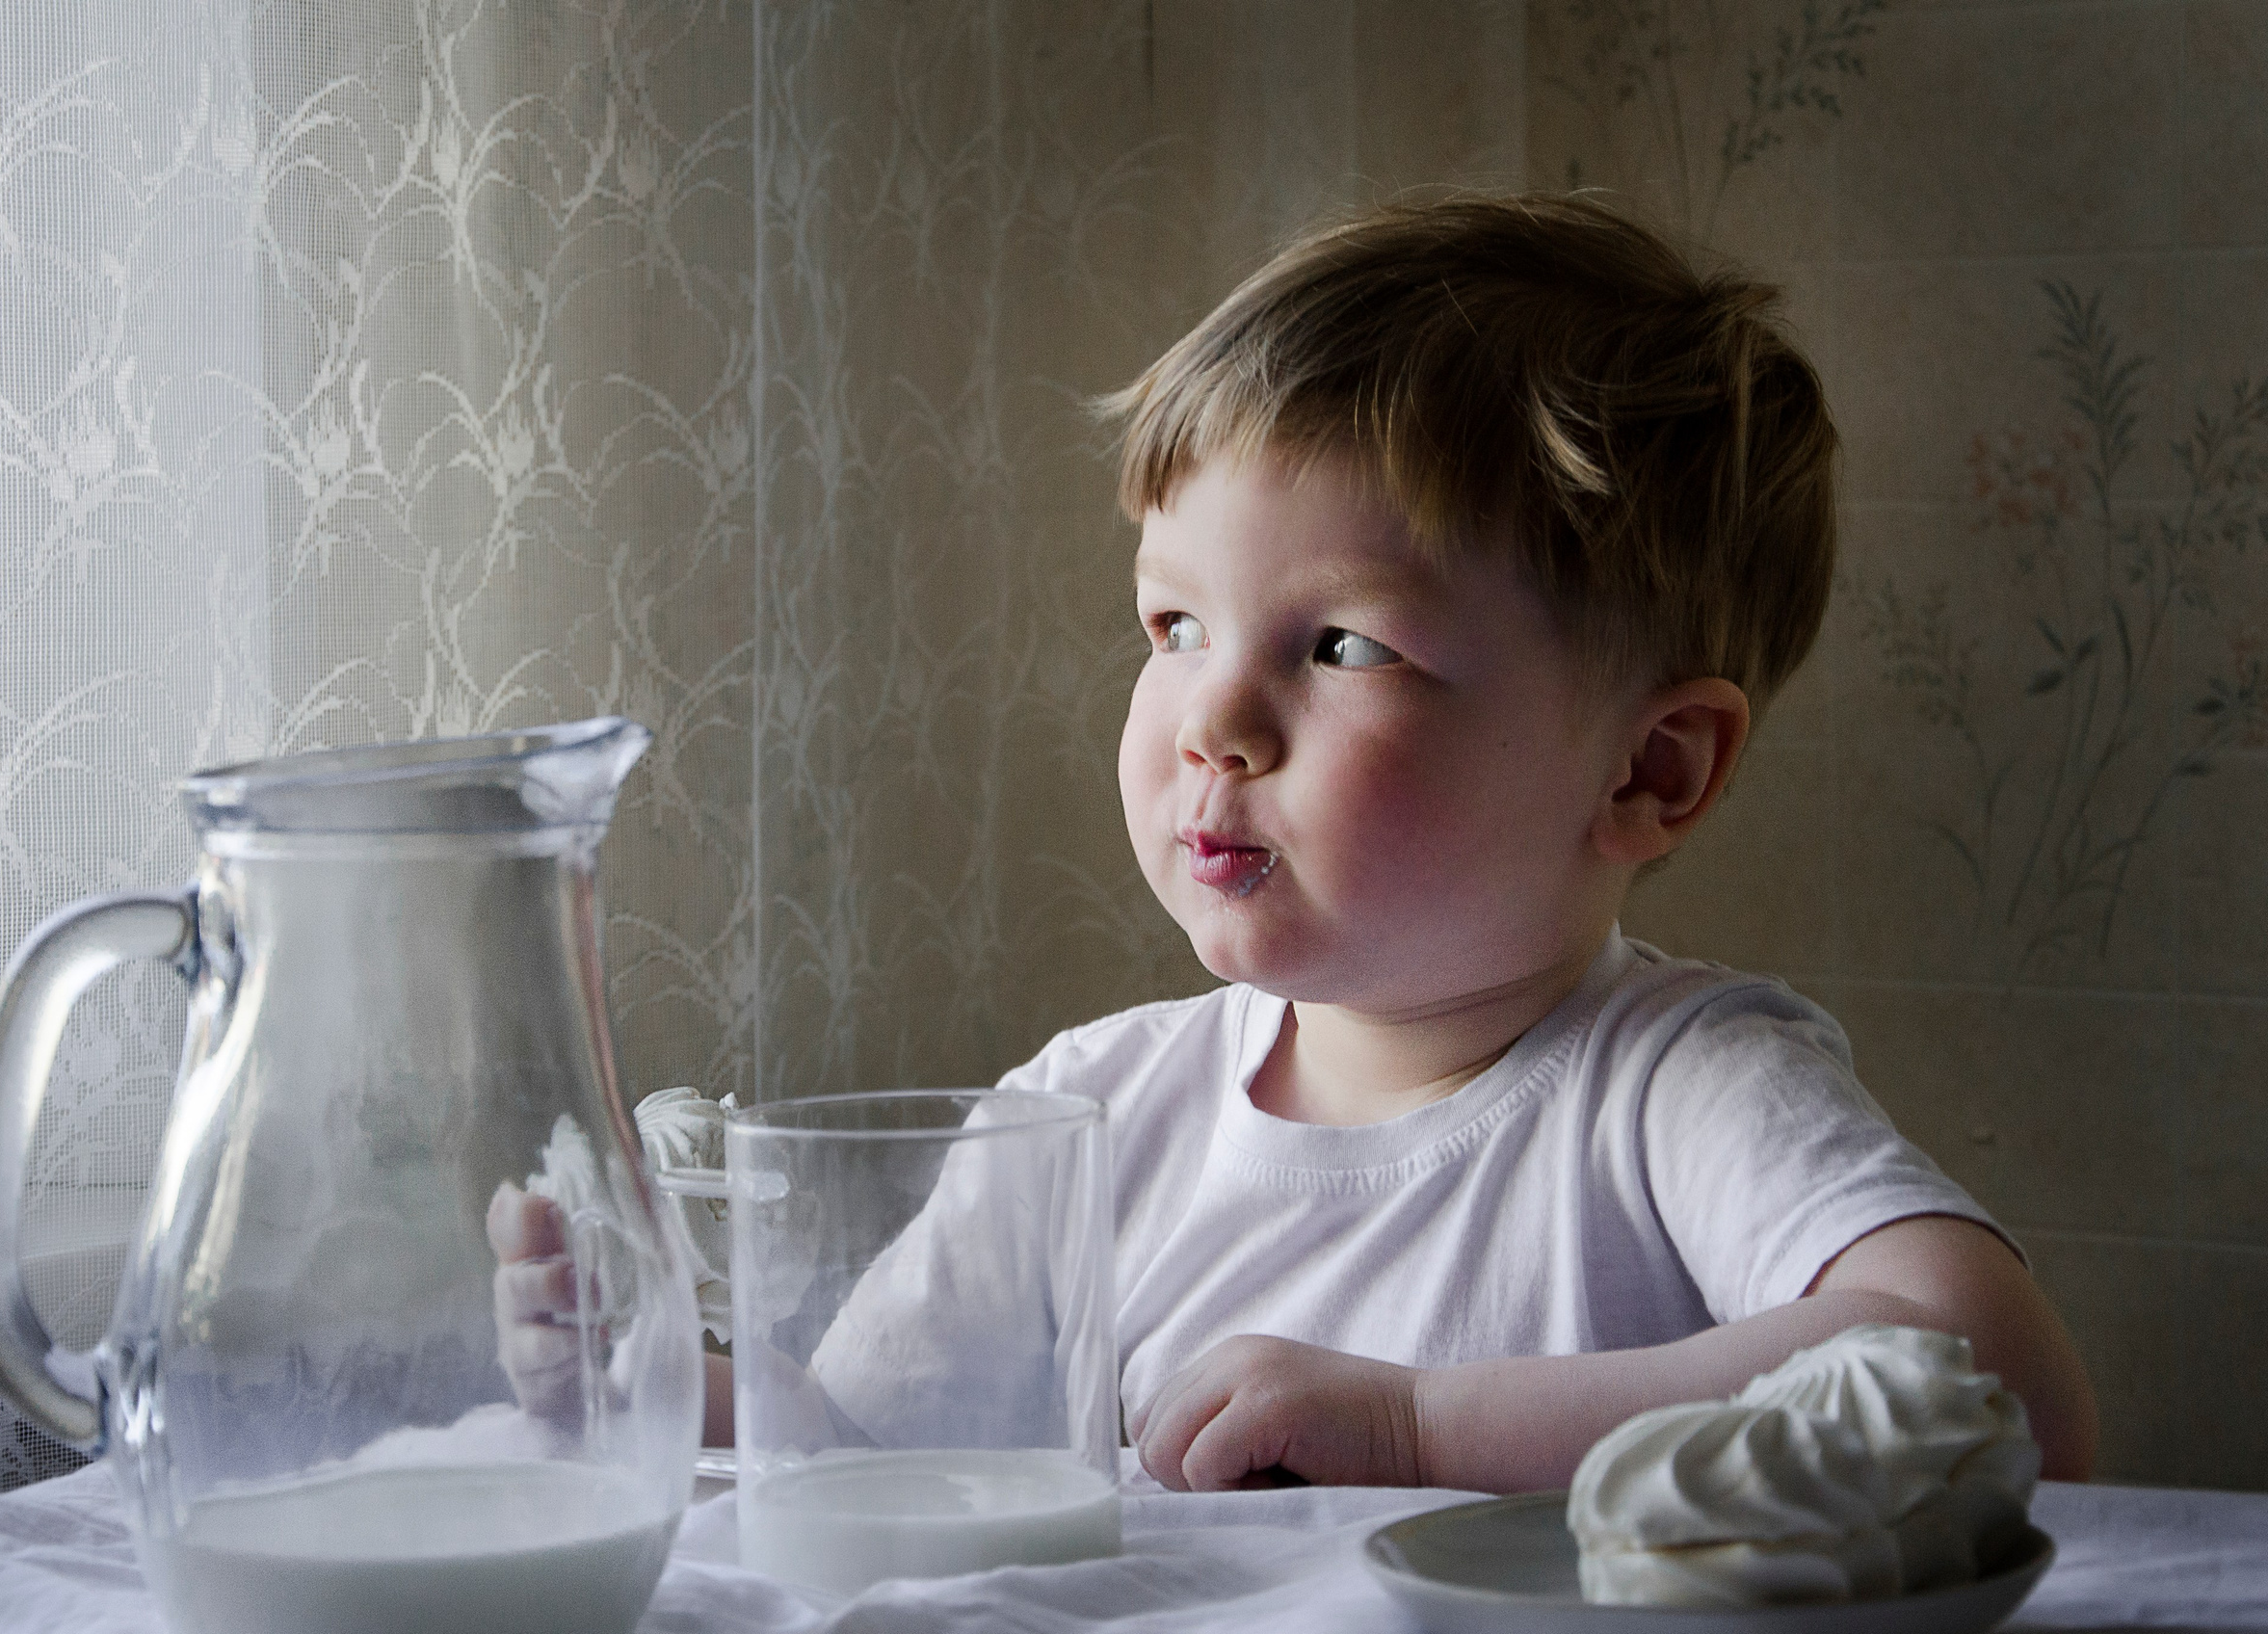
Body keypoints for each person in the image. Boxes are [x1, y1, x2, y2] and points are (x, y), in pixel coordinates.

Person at [491, 192, 2098, 1492]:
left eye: (1339, 648)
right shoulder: (1088, 1116)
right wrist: (656, 1388)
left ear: (1648, 772)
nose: (1213, 721)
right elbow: (867, 1470)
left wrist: (1418, 1433)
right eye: (1174, 622)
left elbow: (1993, 1386)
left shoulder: (1678, 1086)